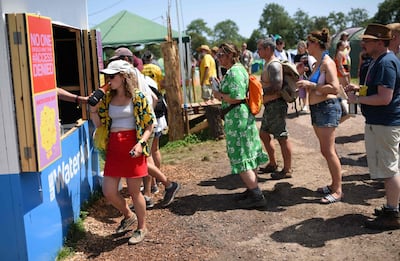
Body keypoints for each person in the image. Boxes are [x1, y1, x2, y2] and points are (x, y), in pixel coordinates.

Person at [89, 60, 154, 244]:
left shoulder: (138, 97)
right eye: (107, 76)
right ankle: (128, 215)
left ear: (124, 77)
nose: (108, 80)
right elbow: (101, 124)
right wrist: (93, 111)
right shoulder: (107, 98)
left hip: (133, 146)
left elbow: (150, 125)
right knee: (109, 191)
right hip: (114, 147)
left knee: (135, 192)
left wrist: (141, 144)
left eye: (112, 76)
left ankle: (142, 227)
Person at [110, 48, 180, 208]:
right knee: (145, 160)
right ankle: (153, 191)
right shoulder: (135, 73)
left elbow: (150, 99)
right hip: (145, 123)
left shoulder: (131, 75)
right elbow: (154, 98)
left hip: (140, 127)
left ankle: (162, 187)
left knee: (144, 161)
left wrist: (141, 119)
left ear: (126, 60)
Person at [346, 24, 400, 230]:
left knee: (390, 169)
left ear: (380, 42)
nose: (363, 43)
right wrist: (359, 88)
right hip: (381, 123)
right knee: (389, 168)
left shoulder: (386, 63)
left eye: (367, 40)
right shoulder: (381, 60)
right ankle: (391, 207)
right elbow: (380, 90)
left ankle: (392, 213)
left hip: (385, 123)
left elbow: (385, 98)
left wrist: (357, 98)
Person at [212, 43, 268, 209]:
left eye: (221, 54)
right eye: (218, 55)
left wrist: (218, 94)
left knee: (240, 154)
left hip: (237, 118)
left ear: (230, 55)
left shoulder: (235, 71)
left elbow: (236, 96)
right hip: (240, 116)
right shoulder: (237, 69)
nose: (218, 57)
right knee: (248, 152)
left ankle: (256, 194)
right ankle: (252, 190)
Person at [295, 28, 343, 204]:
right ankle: (333, 184)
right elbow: (314, 85)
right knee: (328, 150)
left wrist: (311, 85)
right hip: (319, 109)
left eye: (308, 43)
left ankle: (337, 190)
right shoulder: (317, 63)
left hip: (326, 108)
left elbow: (335, 88)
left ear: (316, 43)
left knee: (328, 151)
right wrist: (302, 75)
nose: (306, 46)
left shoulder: (327, 62)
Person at [257, 37, 293, 180]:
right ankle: (272, 163)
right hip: (270, 105)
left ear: (268, 49)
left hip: (276, 105)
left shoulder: (274, 65)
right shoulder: (268, 64)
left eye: (260, 48)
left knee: (282, 137)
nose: (258, 51)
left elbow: (277, 86)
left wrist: (259, 92)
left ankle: (287, 169)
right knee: (264, 134)